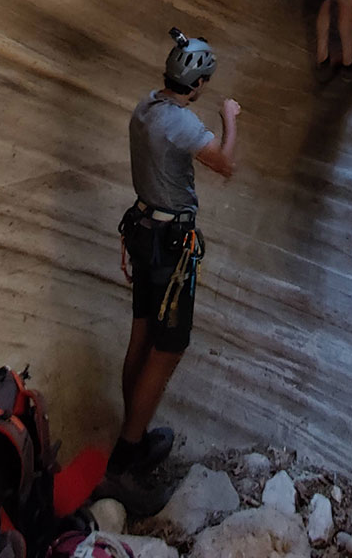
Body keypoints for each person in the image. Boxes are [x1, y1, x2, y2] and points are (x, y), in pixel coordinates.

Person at [104, 27, 240, 508]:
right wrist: (229, 120)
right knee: (167, 348)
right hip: (169, 244)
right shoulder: (182, 126)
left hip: (143, 230)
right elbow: (225, 164)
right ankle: (124, 461)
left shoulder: (146, 107)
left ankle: (134, 436)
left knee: (142, 333)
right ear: (199, 84)